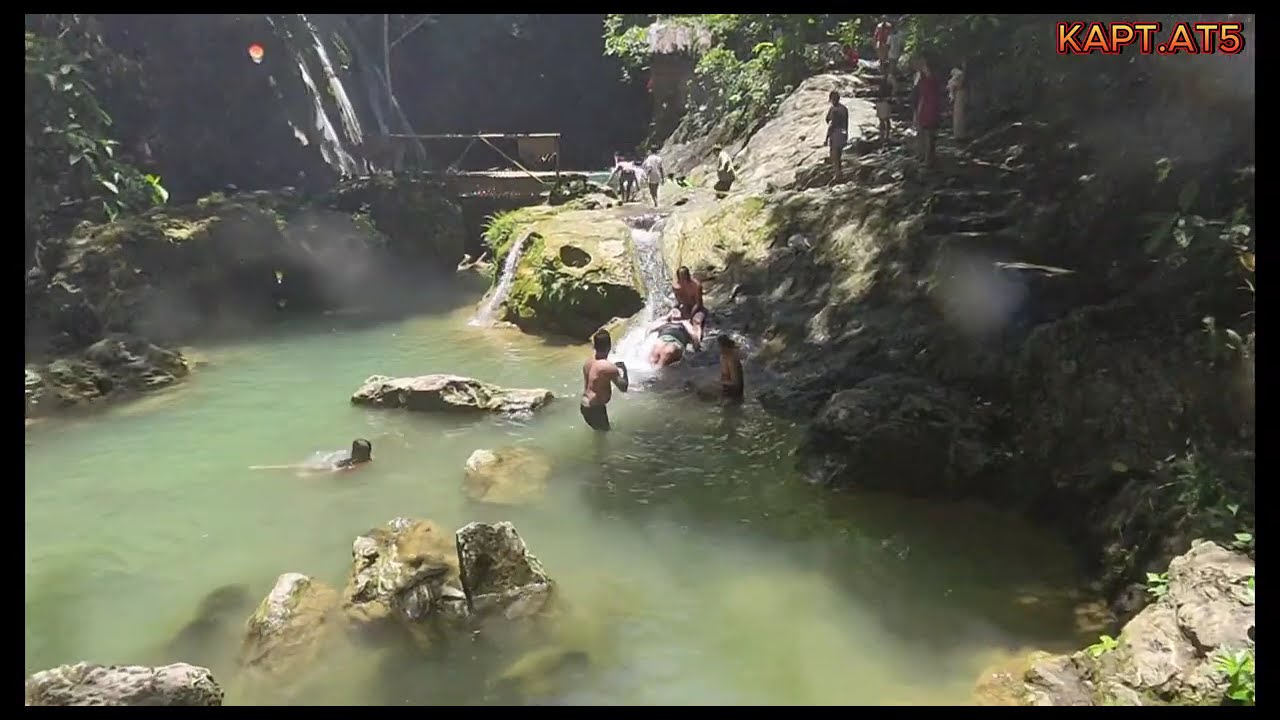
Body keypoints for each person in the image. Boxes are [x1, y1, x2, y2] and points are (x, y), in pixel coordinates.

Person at [581, 330, 629, 431]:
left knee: (600, 434)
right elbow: (623, 387)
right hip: (595, 409)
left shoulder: (588, 362)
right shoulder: (608, 367)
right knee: (604, 436)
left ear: (595, 346)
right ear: (609, 346)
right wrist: (624, 370)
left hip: (584, 405)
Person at [249, 438, 373, 473]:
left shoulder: (356, 460)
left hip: (331, 461)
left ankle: (262, 468)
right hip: (331, 465)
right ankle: (262, 468)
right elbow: (336, 471)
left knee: (295, 466)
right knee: (297, 467)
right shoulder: (364, 462)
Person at [913, 53, 944, 170]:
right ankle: (925, 157)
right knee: (925, 133)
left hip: (930, 106)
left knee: (929, 134)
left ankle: (928, 159)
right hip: (927, 106)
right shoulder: (923, 79)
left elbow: (926, 95)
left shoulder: (931, 79)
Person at [825, 90, 850, 182]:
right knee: (839, 154)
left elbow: (831, 123)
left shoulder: (833, 110)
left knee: (834, 155)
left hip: (835, 133)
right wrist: (846, 133)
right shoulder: (844, 108)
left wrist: (826, 137)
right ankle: (840, 173)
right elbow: (846, 122)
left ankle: (837, 175)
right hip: (843, 132)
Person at [718, 334, 745, 402]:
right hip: (726, 388)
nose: (719, 349)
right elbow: (723, 376)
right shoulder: (723, 357)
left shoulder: (732, 359)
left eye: (720, 346)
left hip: (734, 393)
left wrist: (719, 384)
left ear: (725, 347)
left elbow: (736, 383)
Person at [948, 63, 968, 142]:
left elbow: (959, 84)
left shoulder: (960, 75)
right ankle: (958, 133)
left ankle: (960, 134)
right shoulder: (957, 76)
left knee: (959, 115)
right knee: (957, 115)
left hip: (960, 94)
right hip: (957, 95)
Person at [887, 23, 907, 90]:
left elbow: (888, 46)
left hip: (893, 55)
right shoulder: (898, 35)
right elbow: (902, 45)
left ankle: (895, 87)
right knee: (893, 71)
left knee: (892, 71)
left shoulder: (892, 36)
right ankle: (893, 86)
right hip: (895, 54)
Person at [875, 78, 893, 148]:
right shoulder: (886, 81)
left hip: (884, 102)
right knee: (884, 120)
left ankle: (885, 136)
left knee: (884, 120)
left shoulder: (888, 80)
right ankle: (884, 136)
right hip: (882, 102)